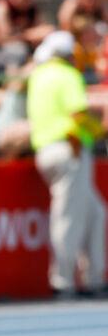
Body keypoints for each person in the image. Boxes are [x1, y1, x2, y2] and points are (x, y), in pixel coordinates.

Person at [28, 30, 106, 297]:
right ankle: (62, 282)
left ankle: (95, 277)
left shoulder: (37, 77)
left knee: (96, 213)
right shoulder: (68, 76)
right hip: (69, 150)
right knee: (68, 218)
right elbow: (78, 115)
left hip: (46, 151)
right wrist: (101, 131)